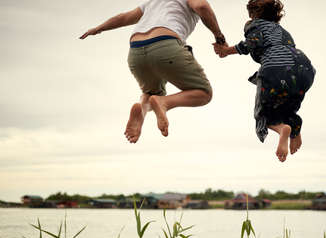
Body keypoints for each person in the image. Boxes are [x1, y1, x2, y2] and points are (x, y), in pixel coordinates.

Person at [80, 0, 226, 142]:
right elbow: (201, 6)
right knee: (203, 93)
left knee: (150, 93)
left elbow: (123, 17)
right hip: (165, 44)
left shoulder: (152, 2)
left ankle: (142, 110)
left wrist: (98, 28)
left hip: (136, 52)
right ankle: (164, 103)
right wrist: (219, 37)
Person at [214, 0, 315, 162]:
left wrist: (227, 50)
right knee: (287, 105)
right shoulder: (283, 30)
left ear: (253, 14)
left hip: (276, 67)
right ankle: (294, 130)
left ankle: (283, 129)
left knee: (263, 113)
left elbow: (252, 43)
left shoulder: (254, 25)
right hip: (304, 68)